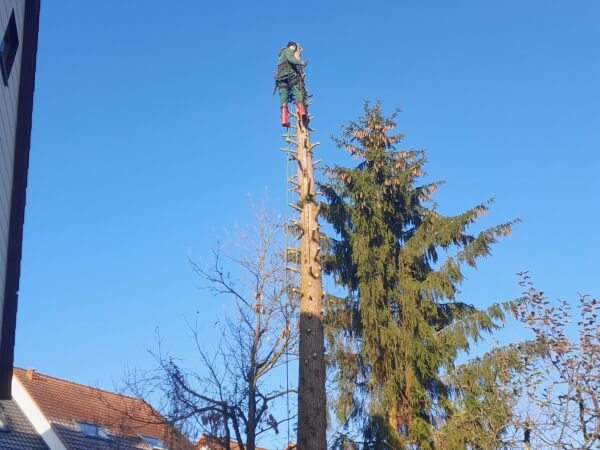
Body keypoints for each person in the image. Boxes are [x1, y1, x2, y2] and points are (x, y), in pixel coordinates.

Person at [275, 41, 308, 127]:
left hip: (281, 79)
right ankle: (302, 112)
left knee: (283, 97)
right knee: (297, 91)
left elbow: (289, 62)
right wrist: (301, 63)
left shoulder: (281, 56)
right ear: (290, 46)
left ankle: (284, 119)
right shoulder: (287, 51)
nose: (294, 49)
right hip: (290, 76)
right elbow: (291, 59)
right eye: (293, 47)